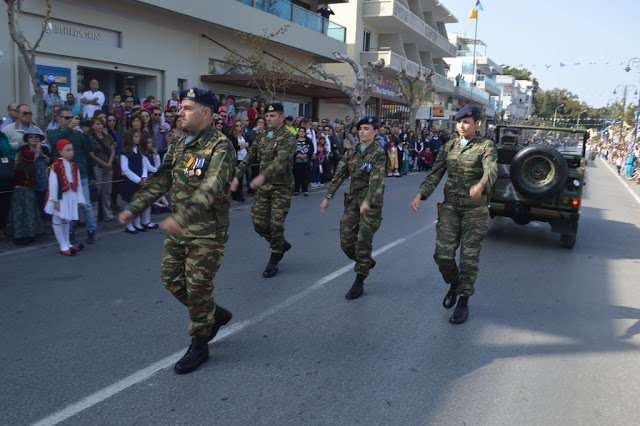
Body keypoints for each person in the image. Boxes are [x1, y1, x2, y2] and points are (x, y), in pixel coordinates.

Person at [118, 87, 236, 375]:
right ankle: (213, 314)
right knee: (171, 280)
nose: (179, 112)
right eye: (180, 107)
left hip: (207, 231)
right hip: (179, 229)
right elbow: (160, 180)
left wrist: (181, 216)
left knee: (197, 287)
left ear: (205, 113)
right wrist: (135, 207)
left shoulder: (221, 146)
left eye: (187, 108)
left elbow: (211, 188)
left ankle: (200, 342)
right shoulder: (180, 145)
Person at [409, 105, 497, 325]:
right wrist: (420, 194)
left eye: (467, 122)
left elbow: (491, 170)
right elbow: (435, 173)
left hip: (475, 211)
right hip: (450, 208)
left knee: (468, 260)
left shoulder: (486, 146)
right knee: (443, 255)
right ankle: (455, 284)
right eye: (459, 122)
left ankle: (463, 304)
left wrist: (481, 185)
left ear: (477, 124)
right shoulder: (449, 146)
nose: (462, 126)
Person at [320, 116, 386, 299]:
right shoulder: (352, 152)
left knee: (364, 241)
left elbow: (377, 181)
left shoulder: (378, 153)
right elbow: (339, 174)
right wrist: (328, 196)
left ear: (375, 132)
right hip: (353, 201)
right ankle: (365, 261)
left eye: (366, 128)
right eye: (360, 128)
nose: (362, 131)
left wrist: (368, 200)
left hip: (370, 204)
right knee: (346, 240)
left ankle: (359, 281)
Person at [230, 102, 296, 278]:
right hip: (264, 188)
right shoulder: (261, 138)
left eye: (272, 116)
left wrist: (262, 175)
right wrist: (237, 176)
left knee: (275, 224)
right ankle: (280, 243)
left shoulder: (288, 138)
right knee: (259, 224)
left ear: (281, 117)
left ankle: (274, 259)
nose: (268, 119)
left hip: (281, 187)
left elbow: (281, 161)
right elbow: (248, 158)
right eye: (266, 116)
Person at [49, 106, 98, 245]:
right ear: (58, 119)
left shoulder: (78, 133)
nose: (71, 120)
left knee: (86, 204)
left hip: (80, 172)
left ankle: (91, 231)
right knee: (67, 205)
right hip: (63, 175)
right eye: (67, 118)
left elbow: (90, 149)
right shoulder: (53, 132)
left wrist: (86, 133)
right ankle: (69, 232)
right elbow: (54, 142)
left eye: (72, 117)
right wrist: (70, 128)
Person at [45, 139, 86, 255]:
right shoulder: (55, 166)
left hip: (70, 195)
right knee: (58, 219)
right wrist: (55, 201)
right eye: (67, 150)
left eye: (72, 150)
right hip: (60, 196)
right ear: (60, 152)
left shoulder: (74, 166)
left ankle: (67, 243)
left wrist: (79, 199)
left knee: (66, 219)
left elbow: (77, 184)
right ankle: (62, 245)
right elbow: (53, 185)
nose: (71, 152)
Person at [8, 146, 43, 245]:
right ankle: (31, 234)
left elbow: (12, 181)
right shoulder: (32, 168)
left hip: (19, 193)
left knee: (19, 214)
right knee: (30, 213)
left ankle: (19, 235)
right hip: (30, 193)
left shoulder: (18, 170)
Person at [119, 130, 148, 234]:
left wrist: (144, 177)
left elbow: (144, 165)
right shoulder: (125, 152)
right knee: (130, 203)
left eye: (138, 136)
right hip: (131, 182)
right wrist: (137, 179)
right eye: (136, 136)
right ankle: (129, 224)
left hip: (140, 180)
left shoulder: (139, 150)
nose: (138, 138)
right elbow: (125, 169)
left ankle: (137, 223)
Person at [88, 117, 116, 221]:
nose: (100, 126)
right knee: (96, 192)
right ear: (93, 126)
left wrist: (109, 163)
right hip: (98, 167)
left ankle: (107, 214)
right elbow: (91, 154)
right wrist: (104, 164)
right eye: (97, 124)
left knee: (107, 192)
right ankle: (94, 216)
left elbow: (112, 151)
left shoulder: (108, 137)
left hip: (109, 166)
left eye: (101, 124)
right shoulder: (91, 138)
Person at [293, 127, 313, 196]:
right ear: (298, 132)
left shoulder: (308, 141)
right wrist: (297, 155)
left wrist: (306, 155)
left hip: (305, 160)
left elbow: (311, 149)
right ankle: (296, 190)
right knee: (297, 175)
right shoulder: (294, 140)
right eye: (300, 131)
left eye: (303, 132)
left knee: (305, 176)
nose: (301, 133)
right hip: (297, 161)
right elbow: (291, 149)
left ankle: (305, 190)